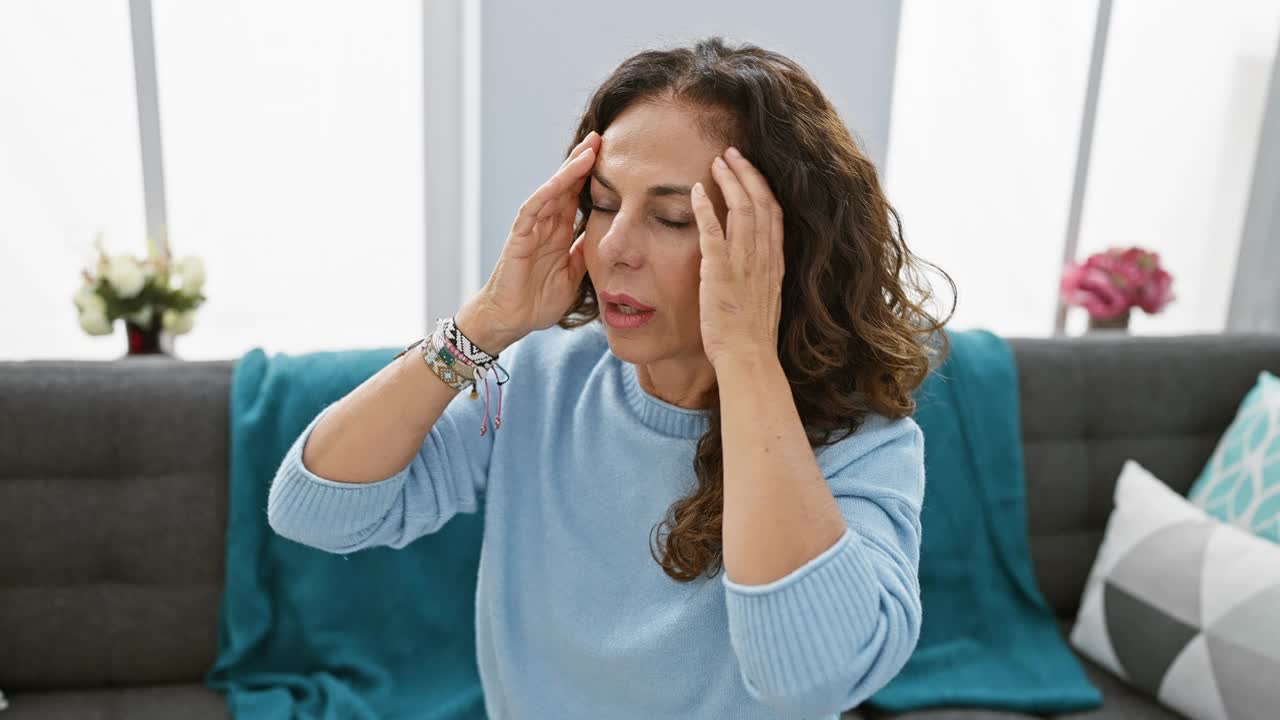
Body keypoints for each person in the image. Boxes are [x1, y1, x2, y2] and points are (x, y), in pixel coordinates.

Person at [268, 35, 955, 720]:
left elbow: (809, 681)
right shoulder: (539, 378)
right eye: (601, 203)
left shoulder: (864, 443)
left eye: (672, 217)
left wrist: (745, 358)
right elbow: (315, 512)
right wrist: (484, 324)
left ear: (778, 249)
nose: (615, 248)